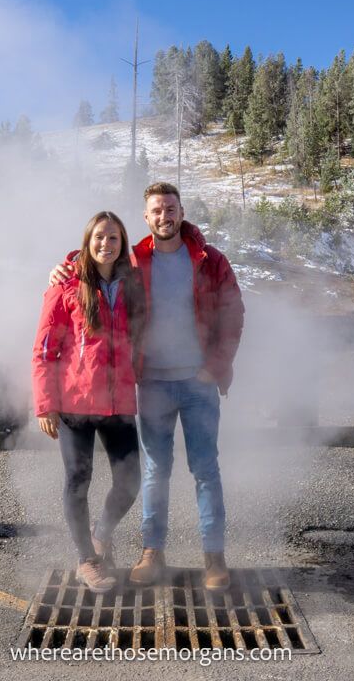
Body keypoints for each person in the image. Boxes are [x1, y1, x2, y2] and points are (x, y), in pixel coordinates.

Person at [50, 182, 244, 591]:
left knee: (206, 470)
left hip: (198, 384)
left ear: (181, 211)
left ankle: (214, 559)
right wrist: (65, 263)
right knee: (155, 472)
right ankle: (152, 553)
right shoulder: (135, 260)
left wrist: (217, 365)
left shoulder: (209, 260)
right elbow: (94, 260)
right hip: (153, 382)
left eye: (170, 209)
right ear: (146, 217)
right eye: (156, 210)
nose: (164, 216)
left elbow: (233, 313)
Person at [33, 211, 145, 594]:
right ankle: (86, 559)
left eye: (114, 238)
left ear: (122, 243)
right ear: (87, 241)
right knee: (78, 481)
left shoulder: (133, 283)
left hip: (119, 402)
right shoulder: (66, 285)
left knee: (130, 481)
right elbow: (45, 350)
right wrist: (45, 404)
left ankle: (101, 535)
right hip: (75, 405)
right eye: (99, 237)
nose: (106, 244)